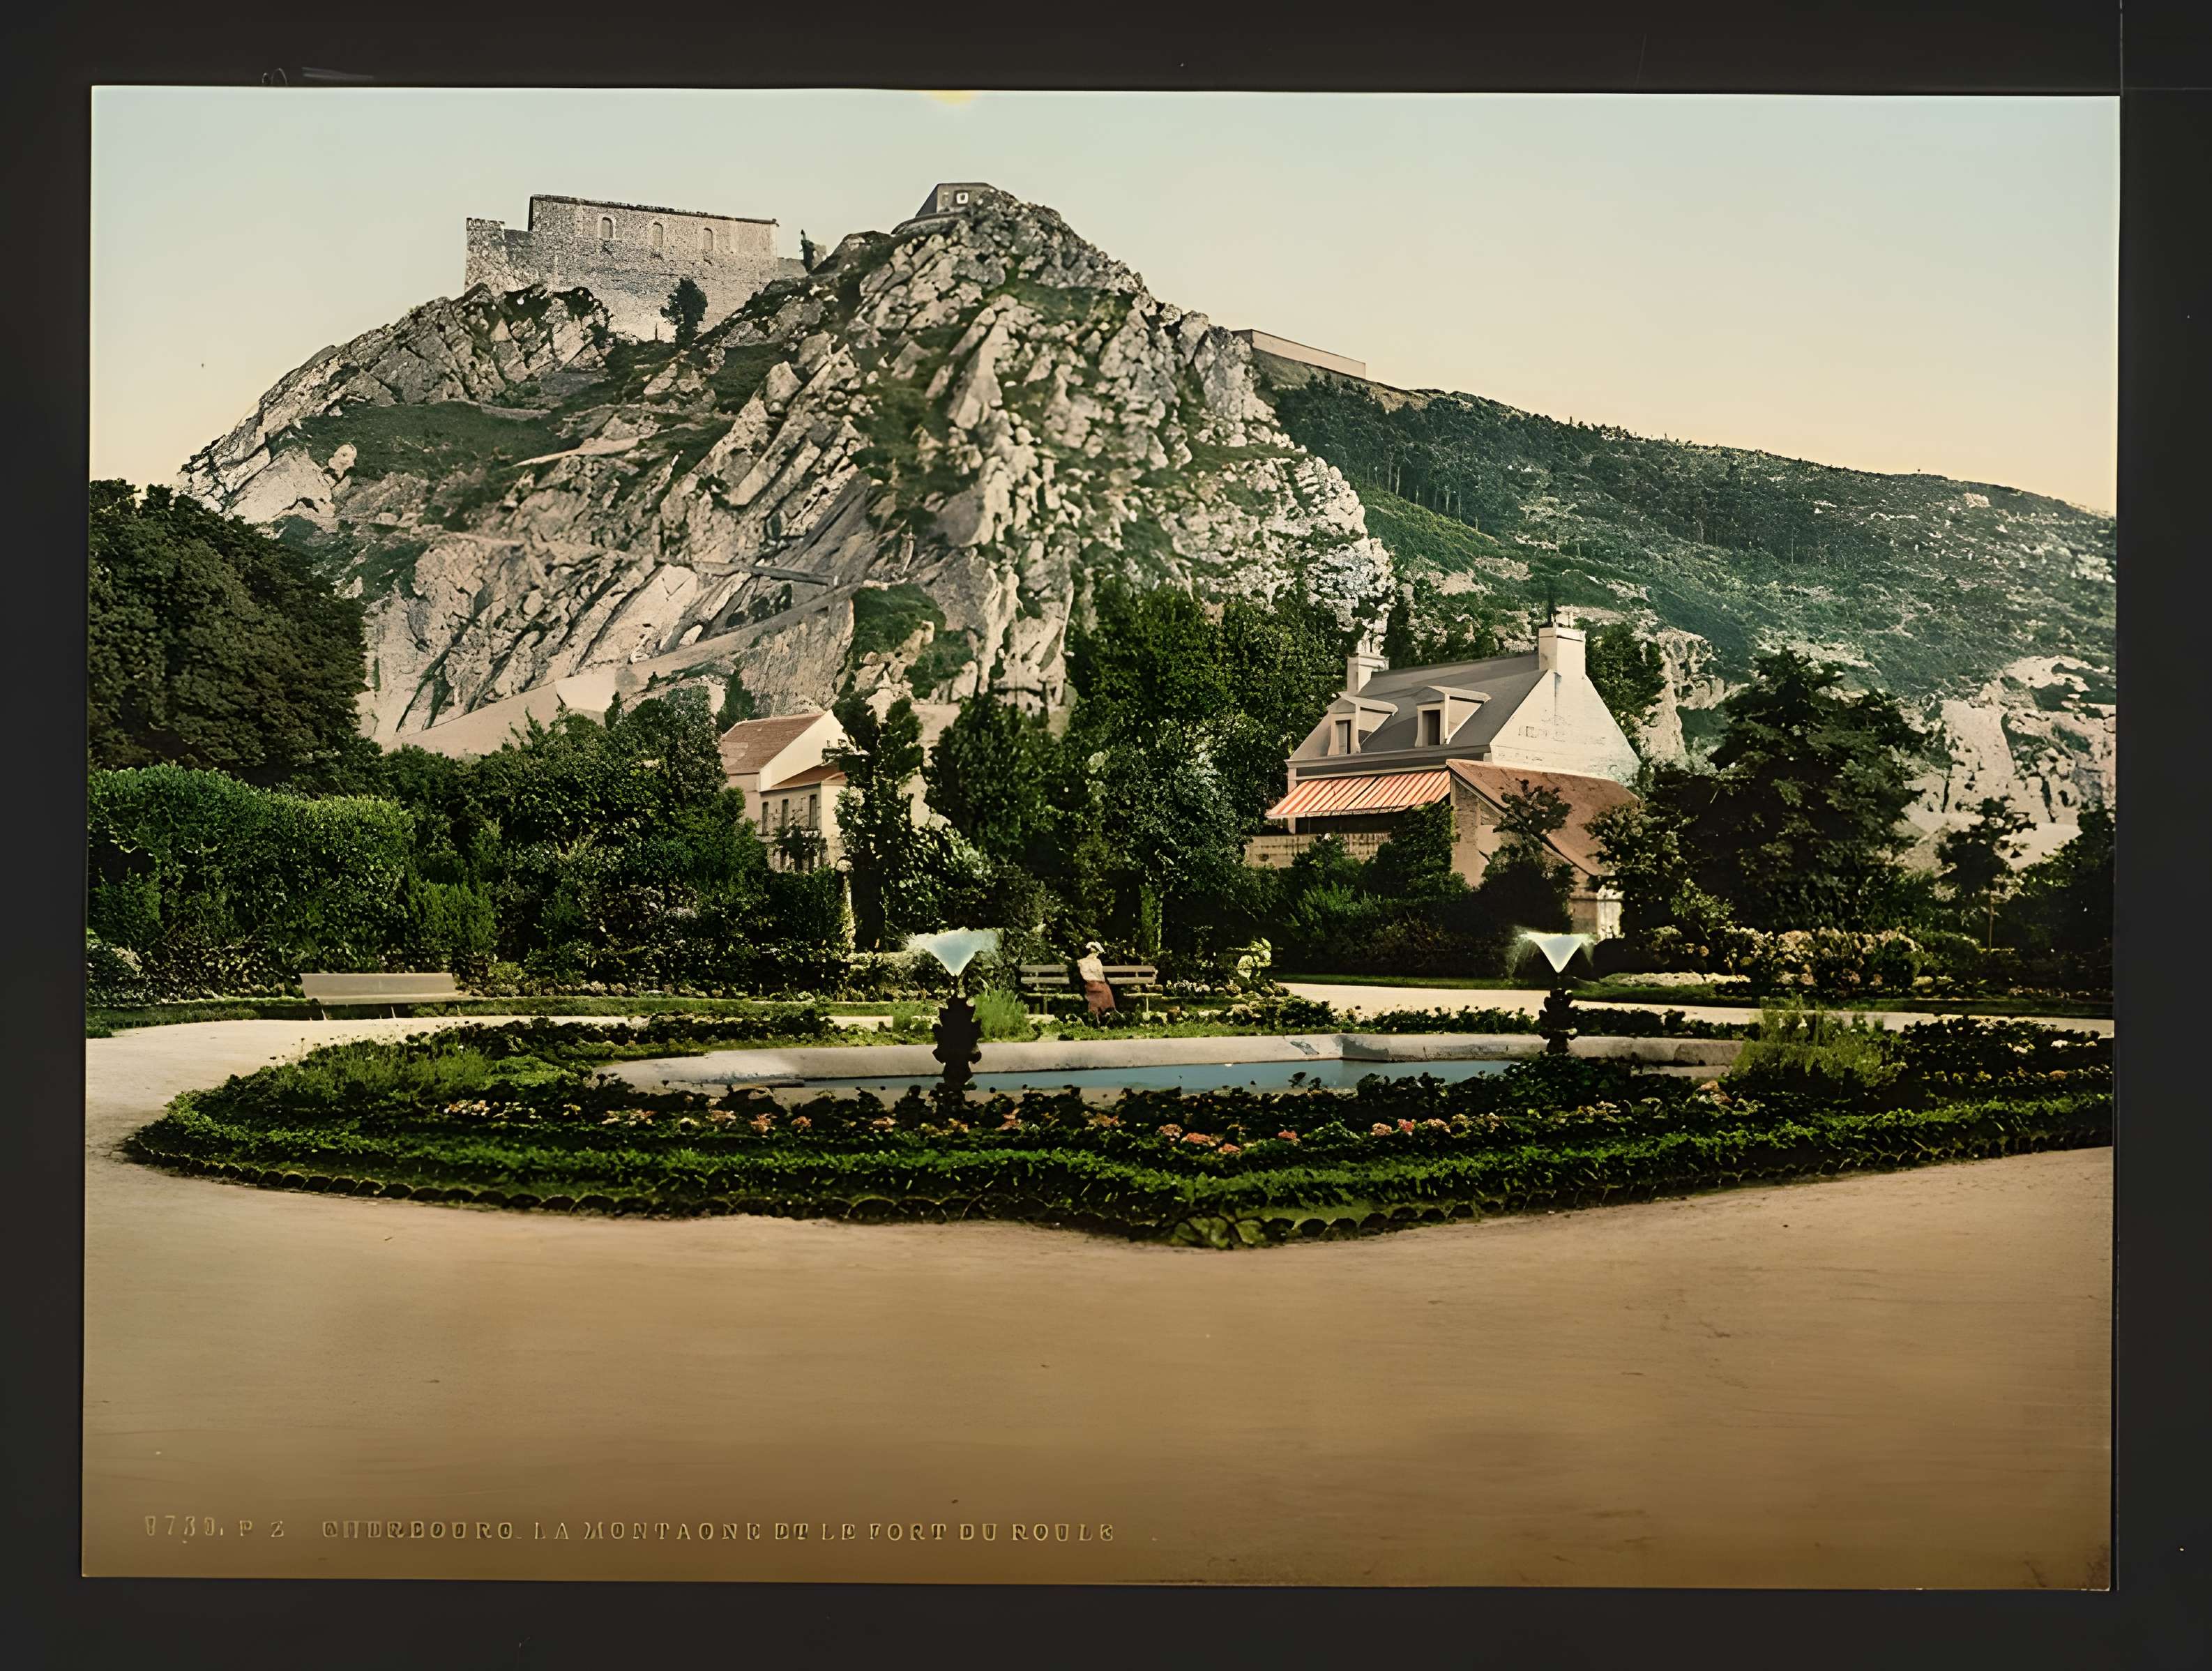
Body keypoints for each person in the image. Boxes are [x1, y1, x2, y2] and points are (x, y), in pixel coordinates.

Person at [1075, 940, 1114, 1013]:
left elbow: (1101, 975)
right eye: (1095, 953)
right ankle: (1097, 1012)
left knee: (1106, 989)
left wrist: (1099, 979)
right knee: (1100, 988)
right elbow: (1084, 975)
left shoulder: (1097, 962)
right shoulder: (1083, 962)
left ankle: (1105, 1012)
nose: (1096, 955)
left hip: (1097, 982)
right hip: (1089, 983)